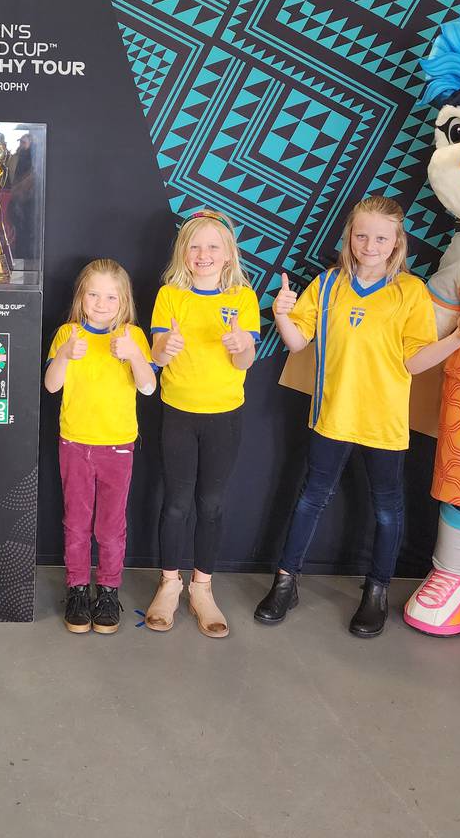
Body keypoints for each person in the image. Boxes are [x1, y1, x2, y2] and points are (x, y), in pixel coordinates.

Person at [253, 196, 460, 637]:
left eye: (380, 237)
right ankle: (285, 582)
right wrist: (282, 314)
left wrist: (456, 339)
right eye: (361, 235)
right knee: (309, 499)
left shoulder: (409, 292)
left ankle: (376, 591)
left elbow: (413, 363)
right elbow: (298, 343)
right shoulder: (328, 284)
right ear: (349, 238)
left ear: (396, 242)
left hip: (383, 423)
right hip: (333, 416)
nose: (369, 245)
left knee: (387, 511)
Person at [145, 209, 260, 638]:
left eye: (213, 246)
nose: (204, 254)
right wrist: (166, 347)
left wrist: (241, 345)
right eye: (195, 246)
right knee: (176, 503)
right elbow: (156, 357)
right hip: (178, 411)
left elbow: (245, 361)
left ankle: (203, 588)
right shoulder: (170, 296)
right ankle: (169, 584)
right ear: (183, 253)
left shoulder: (243, 299)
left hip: (224, 415)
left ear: (228, 254)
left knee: (210, 504)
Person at [44, 259, 157, 634]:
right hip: (75, 443)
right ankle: (77, 589)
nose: (102, 302)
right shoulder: (68, 334)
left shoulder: (133, 336)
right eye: (94, 294)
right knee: (76, 523)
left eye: (111, 296)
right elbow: (51, 386)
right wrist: (63, 355)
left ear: (124, 300)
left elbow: (148, 387)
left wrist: (136, 356)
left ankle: (108, 590)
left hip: (117, 446)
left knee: (110, 528)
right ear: (81, 297)